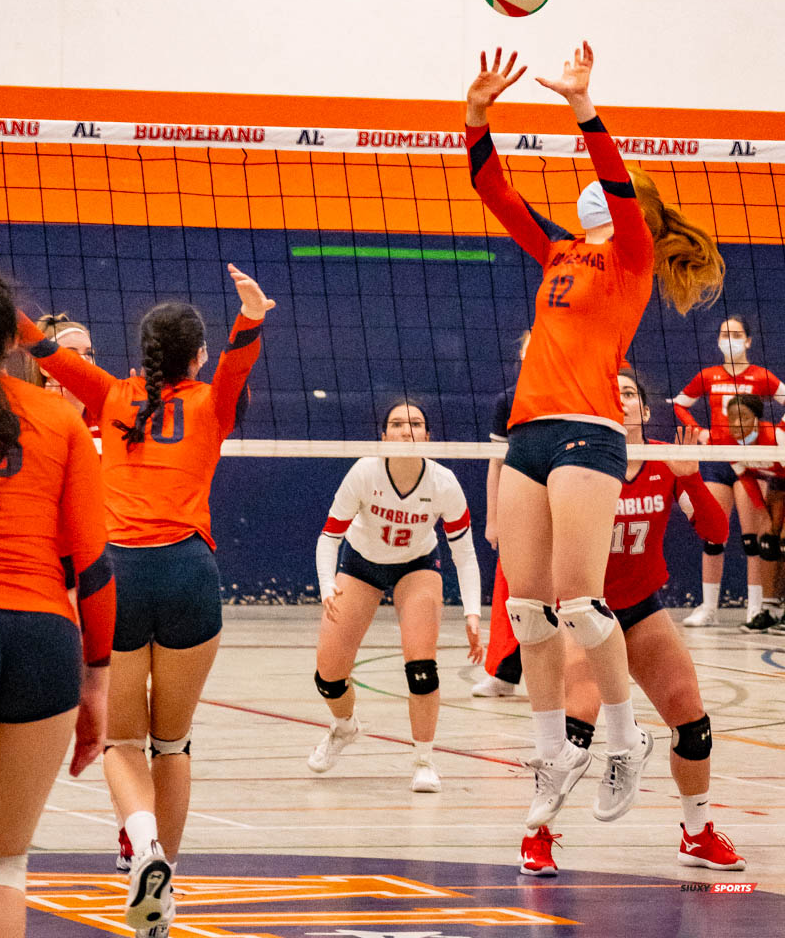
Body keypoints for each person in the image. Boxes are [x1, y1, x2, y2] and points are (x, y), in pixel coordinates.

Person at [465, 42, 725, 837]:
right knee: (531, 609)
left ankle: (623, 737)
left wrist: (583, 108)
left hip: (587, 435)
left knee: (581, 601)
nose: (589, 198)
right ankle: (552, 759)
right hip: (529, 433)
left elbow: (613, 178)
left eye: (603, 194)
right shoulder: (558, 253)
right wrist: (476, 116)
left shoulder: (633, 260)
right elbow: (494, 190)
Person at [18, 264, 273, 938]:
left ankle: (145, 851)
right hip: (190, 572)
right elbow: (241, 364)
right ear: (196, 356)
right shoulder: (214, 400)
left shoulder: (108, 396)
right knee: (174, 742)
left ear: (143, 353)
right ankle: (168, 889)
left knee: (123, 742)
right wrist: (252, 314)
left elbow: (41, 350)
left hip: (120, 575)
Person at [518, 372, 745, 876]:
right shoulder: (573, 459)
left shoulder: (667, 459)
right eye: (611, 391)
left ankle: (697, 834)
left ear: (645, 409)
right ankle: (535, 836)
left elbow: (715, 532)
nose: (621, 399)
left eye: (630, 393)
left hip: (641, 609)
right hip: (582, 613)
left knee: (692, 718)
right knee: (571, 734)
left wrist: (689, 476)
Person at [0, 267, 115, 936]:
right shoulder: (63, 417)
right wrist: (97, 681)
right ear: (12, 339)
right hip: (44, 638)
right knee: (7, 865)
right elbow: (92, 566)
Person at [310, 399, 483, 792]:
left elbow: (466, 554)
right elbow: (328, 538)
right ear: (383, 434)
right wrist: (326, 586)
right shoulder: (364, 472)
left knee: (422, 667)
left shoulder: (444, 483)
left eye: (416, 424)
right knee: (328, 676)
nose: (407, 431)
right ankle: (343, 726)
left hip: (416, 565)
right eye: (398, 424)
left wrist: (473, 613)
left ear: (428, 434)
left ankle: (424, 759)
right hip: (361, 564)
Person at [674, 315, 785, 627]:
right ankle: (708, 609)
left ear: (748, 341)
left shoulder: (761, 375)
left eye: (736, 334)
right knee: (713, 537)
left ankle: (755, 607)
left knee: (753, 540)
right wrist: (699, 431)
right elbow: (680, 404)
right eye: (724, 333)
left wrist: (776, 433)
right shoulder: (708, 375)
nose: (730, 339)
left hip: (750, 459)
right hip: (717, 458)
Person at [472, 330, 531, 697]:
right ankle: (504, 674)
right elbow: (496, 463)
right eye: (530, 346)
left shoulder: (571, 398)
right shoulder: (508, 401)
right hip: (518, 505)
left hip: (562, 502)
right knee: (510, 592)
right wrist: (493, 518)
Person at [721, 395, 785, 632]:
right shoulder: (726, 442)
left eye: (744, 417)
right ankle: (768, 610)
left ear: (757, 419)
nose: (736, 423)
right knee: (767, 541)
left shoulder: (776, 437)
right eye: (732, 418)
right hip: (777, 484)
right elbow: (747, 478)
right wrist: (764, 515)